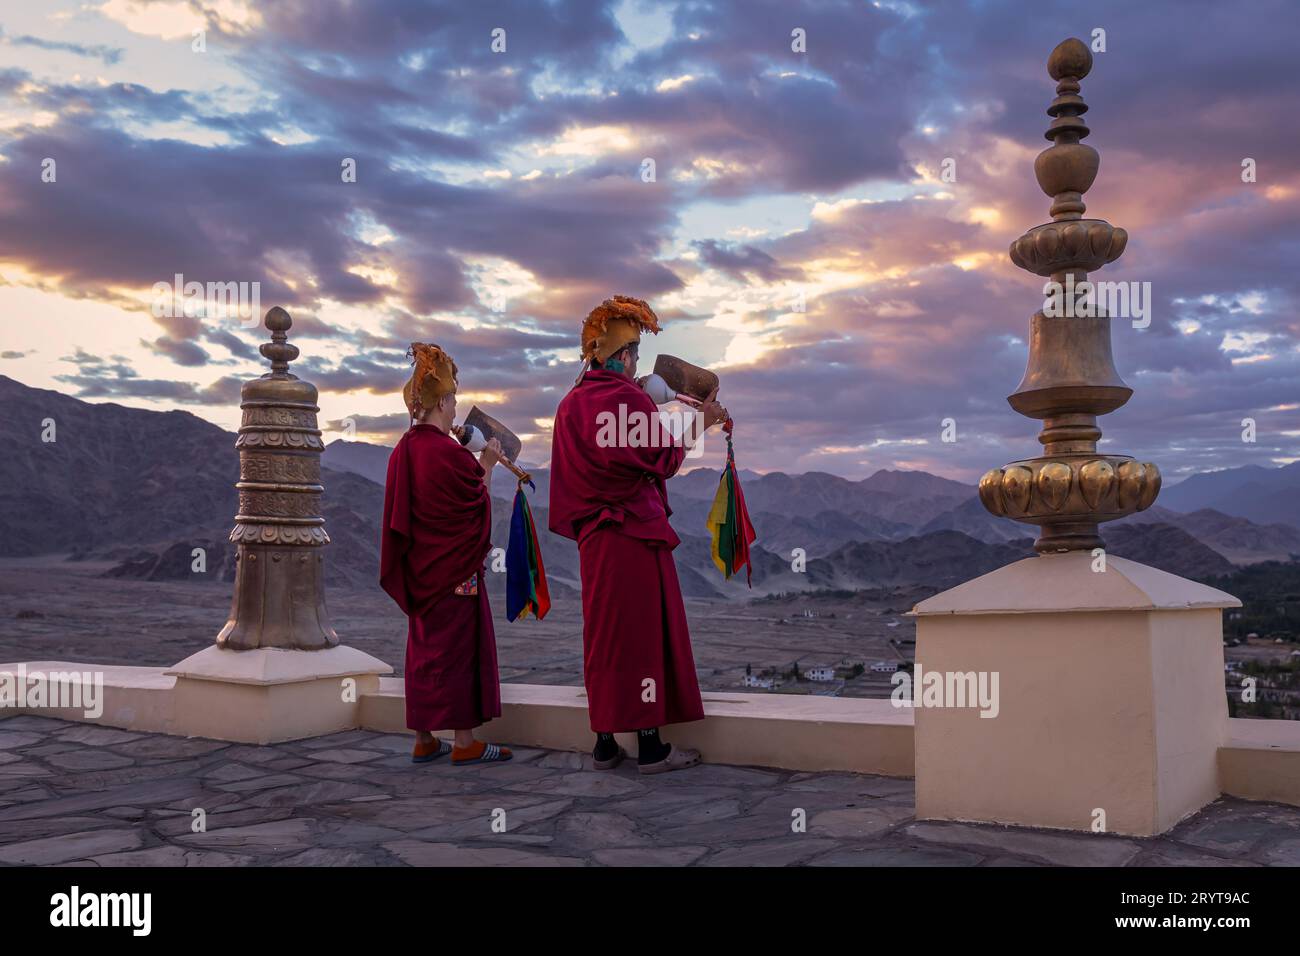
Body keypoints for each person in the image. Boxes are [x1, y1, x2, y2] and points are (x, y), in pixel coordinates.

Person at [548, 296, 728, 774]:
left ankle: (605, 742)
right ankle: (650, 745)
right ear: (624, 356)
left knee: (604, 634)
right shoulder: (623, 397)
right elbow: (662, 458)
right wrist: (700, 421)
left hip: (594, 540)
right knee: (641, 636)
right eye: (635, 357)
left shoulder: (570, 405)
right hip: (631, 535)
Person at [380, 342, 512, 766]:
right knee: (458, 652)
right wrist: (489, 465)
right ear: (440, 402)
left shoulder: (403, 450)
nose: (456, 410)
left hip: (421, 573)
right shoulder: (450, 455)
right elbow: (475, 510)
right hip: (456, 574)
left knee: (424, 651)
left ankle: (423, 737)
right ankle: (464, 741)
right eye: (453, 399)